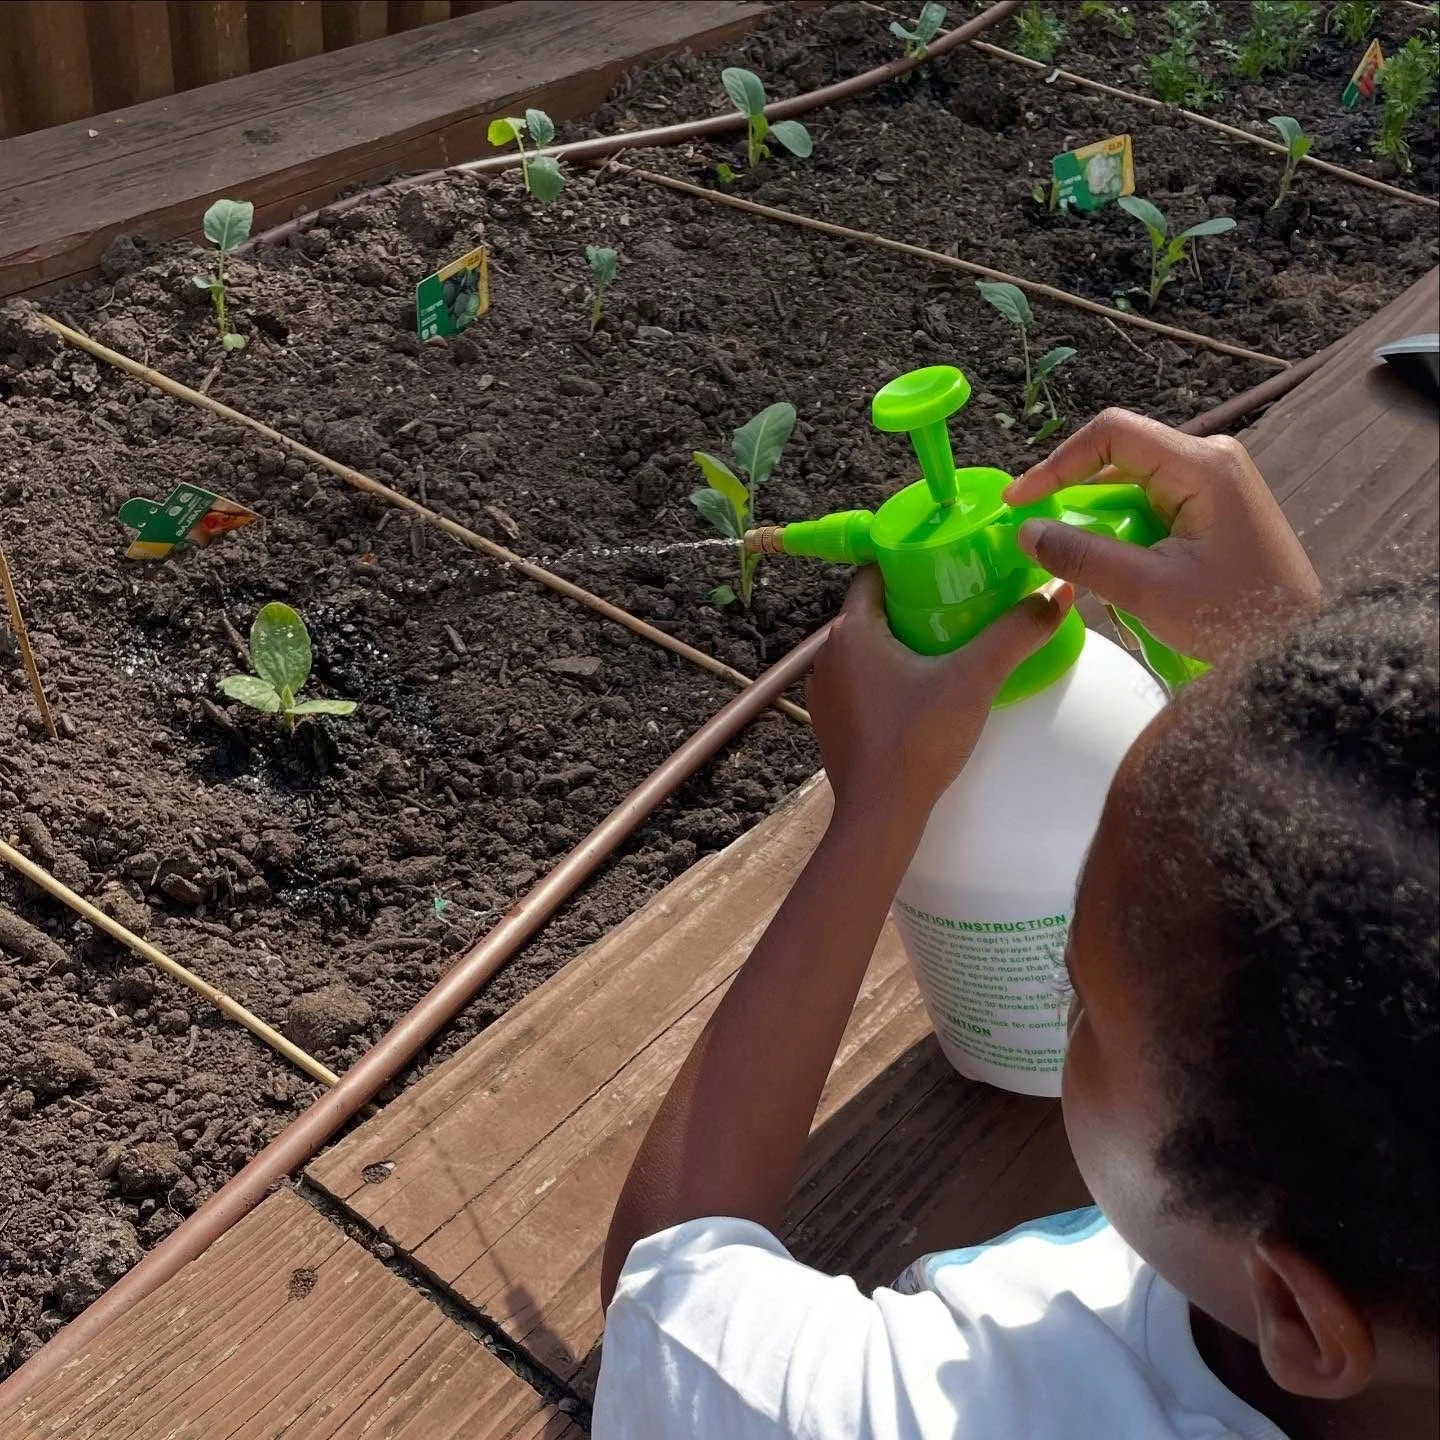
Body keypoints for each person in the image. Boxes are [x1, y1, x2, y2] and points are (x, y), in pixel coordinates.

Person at [592, 409, 1439, 1440]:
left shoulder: (986, 1407)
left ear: (1303, 1320)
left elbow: (673, 1303)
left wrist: (876, 807)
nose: (1063, 1001)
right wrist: (1290, 667)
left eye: (1076, 1000)